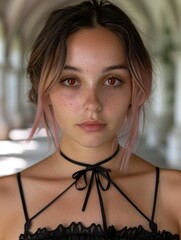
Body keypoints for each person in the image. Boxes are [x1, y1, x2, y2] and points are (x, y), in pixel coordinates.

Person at [0, 0, 181, 239]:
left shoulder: (175, 195)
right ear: (44, 90)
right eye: (70, 81)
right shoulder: (5, 200)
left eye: (112, 80)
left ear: (136, 89)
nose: (92, 103)